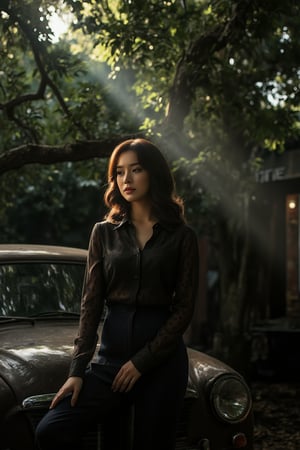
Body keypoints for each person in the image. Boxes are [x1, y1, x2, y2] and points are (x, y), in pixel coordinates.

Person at [35, 138, 199, 450]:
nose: (126, 179)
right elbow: (91, 305)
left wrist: (142, 361)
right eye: (120, 172)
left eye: (136, 170)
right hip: (110, 360)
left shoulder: (182, 236)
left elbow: (184, 309)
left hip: (162, 362)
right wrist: (77, 371)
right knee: (51, 430)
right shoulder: (103, 233)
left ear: (154, 174)